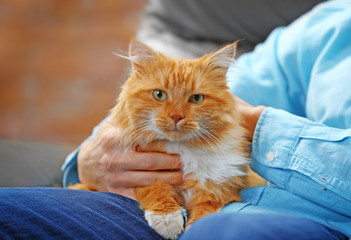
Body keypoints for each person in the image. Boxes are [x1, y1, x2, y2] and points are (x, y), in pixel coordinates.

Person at [0, 0, 350, 239]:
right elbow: (217, 88)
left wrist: (258, 127)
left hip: (298, 219)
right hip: (147, 203)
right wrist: (92, 158)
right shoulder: (326, 23)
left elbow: (237, 112)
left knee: (217, 233)